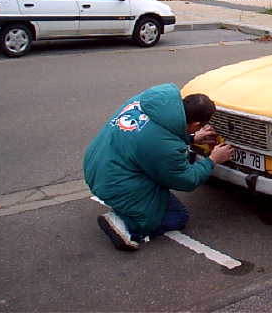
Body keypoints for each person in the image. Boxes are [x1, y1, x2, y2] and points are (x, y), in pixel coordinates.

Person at [83, 83, 232, 251]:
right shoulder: (165, 147)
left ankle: (127, 206)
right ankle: (127, 224)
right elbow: (186, 180)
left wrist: (190, 138)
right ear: (196, 124)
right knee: (178, 216)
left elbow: (150, 139)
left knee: (159, 176)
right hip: (116, 183)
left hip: (97, 164)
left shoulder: (150, 101)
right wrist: (212, 160)